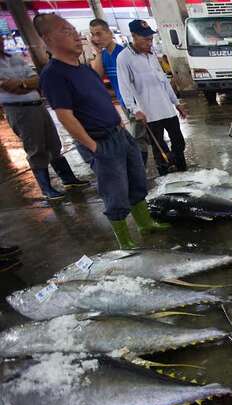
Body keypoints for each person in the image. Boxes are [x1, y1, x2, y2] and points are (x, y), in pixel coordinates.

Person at [35, 13, 169, 249]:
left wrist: (119, 125)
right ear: (47, 38)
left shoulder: (84, 69)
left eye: (74, 30)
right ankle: (125, 240)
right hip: (99, 141)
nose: (76, 35)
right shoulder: (54, 74)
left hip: (119, 134)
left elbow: (102, 99)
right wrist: (92, 146)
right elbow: (65, 116)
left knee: (137, 180)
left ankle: (145, 223)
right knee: (115, 191)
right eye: (66, 31)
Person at [0, 35, 88, 200]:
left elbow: (36, 80)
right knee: (36, 148)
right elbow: (7, 87)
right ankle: (47, 188)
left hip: (37, 105)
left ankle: (68, 179)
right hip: (19, 110)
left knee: (54, 143)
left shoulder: (15, 58)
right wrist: (24, 83)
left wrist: (21, 84)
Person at [117, 20, 187, 177]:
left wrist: (176, 103)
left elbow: (164, 82)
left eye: (151, 39)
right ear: (134, 36)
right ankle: (165, 176)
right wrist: (134, 110)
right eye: (146, 39)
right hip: (149, 113)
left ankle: (183, 170)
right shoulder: (124, 58)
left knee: (179, 142)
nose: (150, 42)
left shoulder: (151, 55)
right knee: (159, 147)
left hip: (167, 109)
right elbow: (124, 86)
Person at [89, 18, 150, 167]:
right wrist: (97, 52)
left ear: (109, 33)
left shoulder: (123, 53)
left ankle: (141, 168)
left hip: (136, 102)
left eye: (99, 33)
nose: (97, 38)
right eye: (93, 35)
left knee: (138, 136)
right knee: (140, 135)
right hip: (123, 103)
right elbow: (96, 76)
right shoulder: (103, 56)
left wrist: (137, 107)